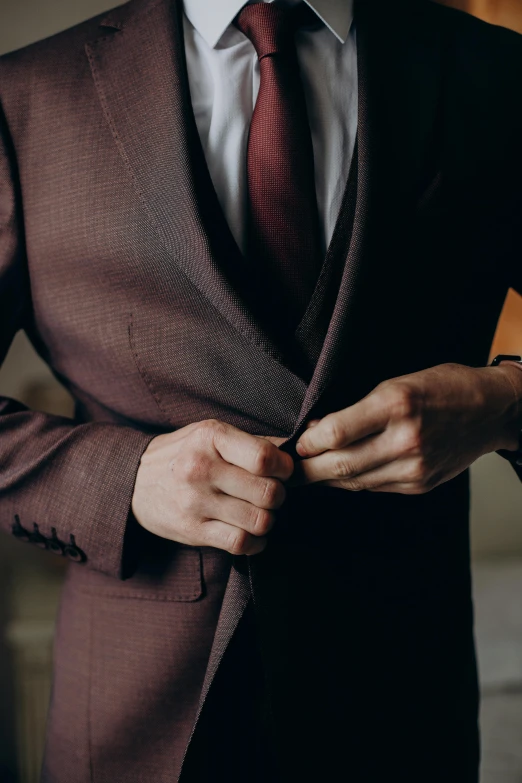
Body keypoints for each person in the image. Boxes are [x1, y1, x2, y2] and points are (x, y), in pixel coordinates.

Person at [1, 0, 521, 780]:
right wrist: (124, 479)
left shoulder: (494, 72)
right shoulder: (25, 96)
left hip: (403, 701)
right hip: (135, 715)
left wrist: (505, 403)